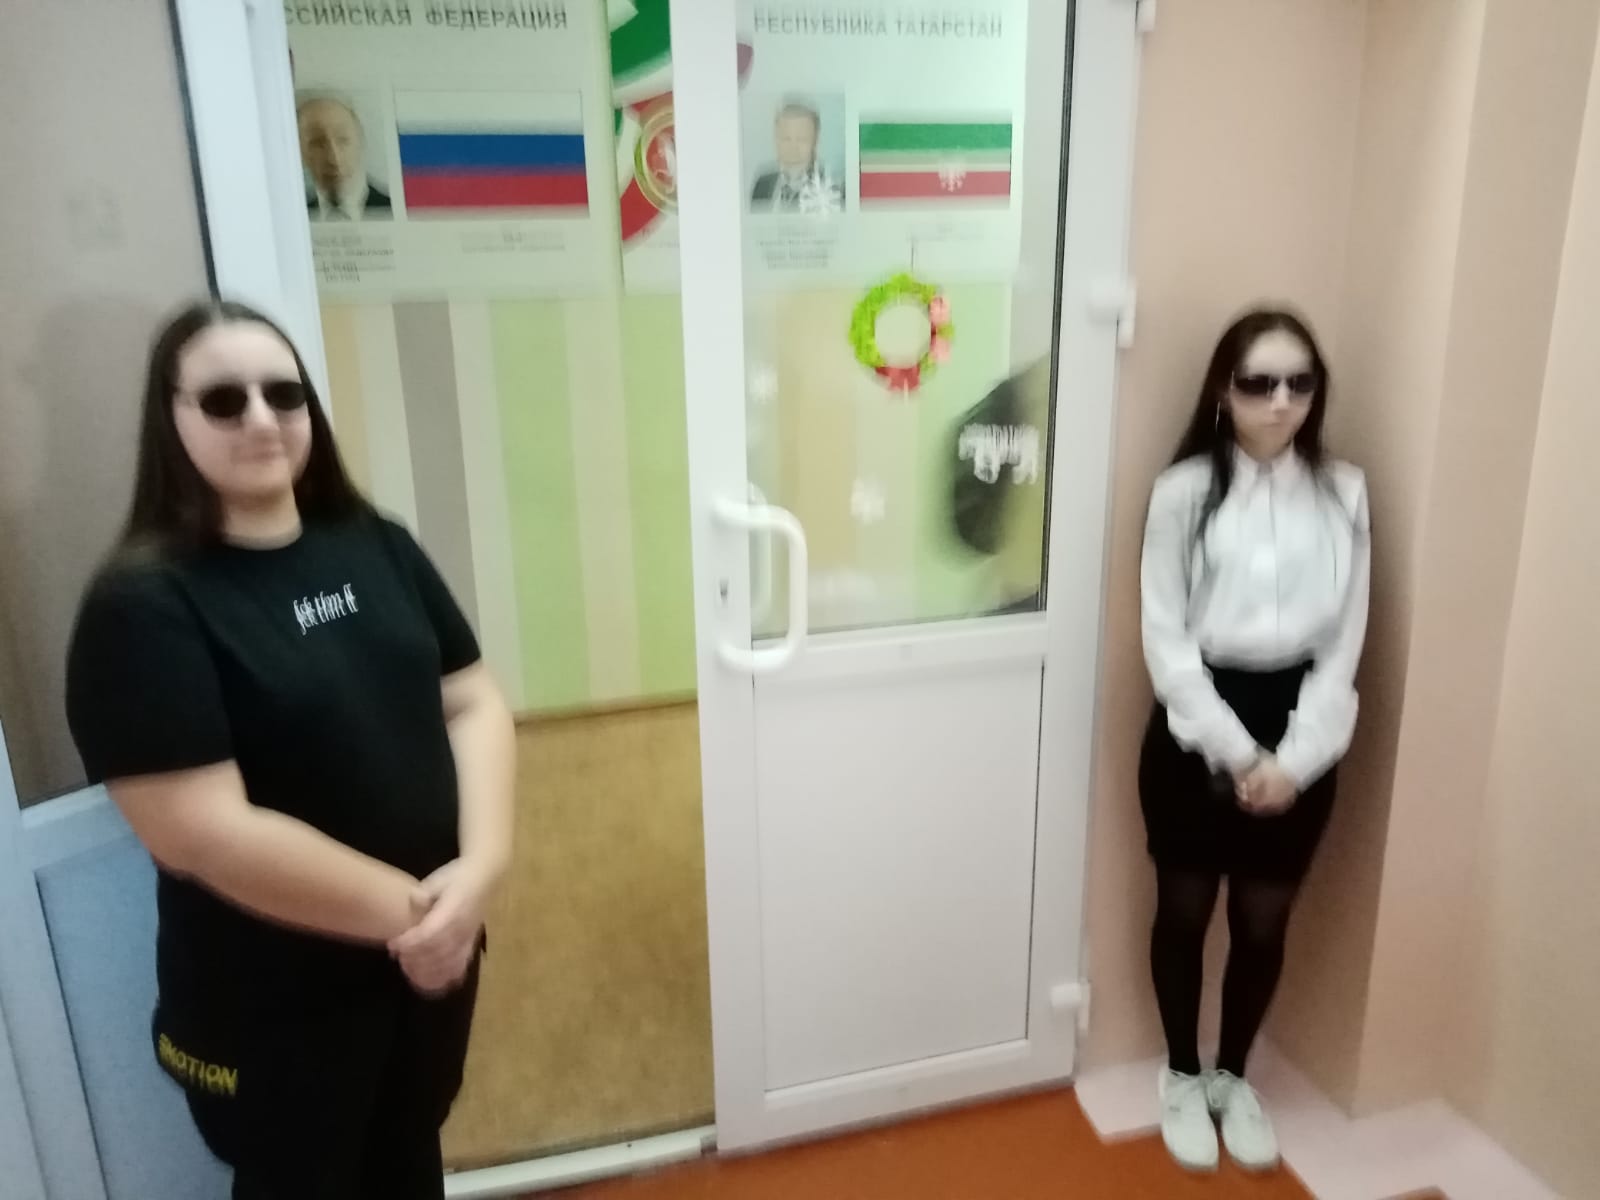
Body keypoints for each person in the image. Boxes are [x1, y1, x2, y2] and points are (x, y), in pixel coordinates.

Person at [65, 300, 515, 1199]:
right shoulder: (143, 606)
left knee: (407, 1162)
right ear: (170, 419)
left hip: (422, 970)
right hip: (274, 1010)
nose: (262, 419)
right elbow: (202, 834)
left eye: (284, 393)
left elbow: (472, 700)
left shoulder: (375, 544)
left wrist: (482, 871)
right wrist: (421, 918)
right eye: (223, 400)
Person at [1138, 308, 1370, 1174]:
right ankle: (1180, 1074)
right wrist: (1239, 755)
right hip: (1196, 723)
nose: (1280, 402)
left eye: (1299, 383)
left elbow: (1345, 647)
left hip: (1302, 721)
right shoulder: (1182, 493)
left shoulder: (1344, 493)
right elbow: (1165, 641)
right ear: (1222, 390)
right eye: (1258, 382)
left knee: (1263, 922)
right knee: (1184, 912)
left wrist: (1296, 762)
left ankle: (1233, 1076)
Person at [298, 96, 392, 220]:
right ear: (300, 152)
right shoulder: (293, 215)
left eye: (343, 140)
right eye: (317, 143)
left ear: (361, 142)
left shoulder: (393, 208)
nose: (333, 158)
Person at [749, 101, 844, 214]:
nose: (793, 146)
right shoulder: (762, 183)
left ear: (815, 141)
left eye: (801, 139)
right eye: (786, 138)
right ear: (776, 139)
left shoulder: (831, 185)